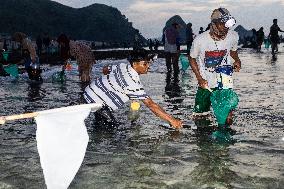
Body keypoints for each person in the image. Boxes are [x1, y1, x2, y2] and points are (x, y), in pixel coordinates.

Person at [84, 49, 182, 129]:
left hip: (88, 92)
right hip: (98, 103)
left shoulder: (122, 66)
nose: (148, 66)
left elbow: (105, 69)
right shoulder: (132, 81)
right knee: (113, 131)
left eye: (148, 63)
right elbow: (151, 105)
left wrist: (110, 84)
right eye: (145, 64)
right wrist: (172, 120)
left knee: (100, 124)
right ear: (135, 64)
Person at [189, 8, 241, 127]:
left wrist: (237, 60)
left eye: (228, 24)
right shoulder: (200, 40)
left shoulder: (233, 36)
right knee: (200, 118)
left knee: (227, 117)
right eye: (222, 24)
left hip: (225, 83)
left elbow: (233, 51)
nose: (226, 28)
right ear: (214, 24)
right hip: (206, 83)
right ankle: (204, 142)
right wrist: (199, 78)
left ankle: (224, 142)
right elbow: (191, 58)